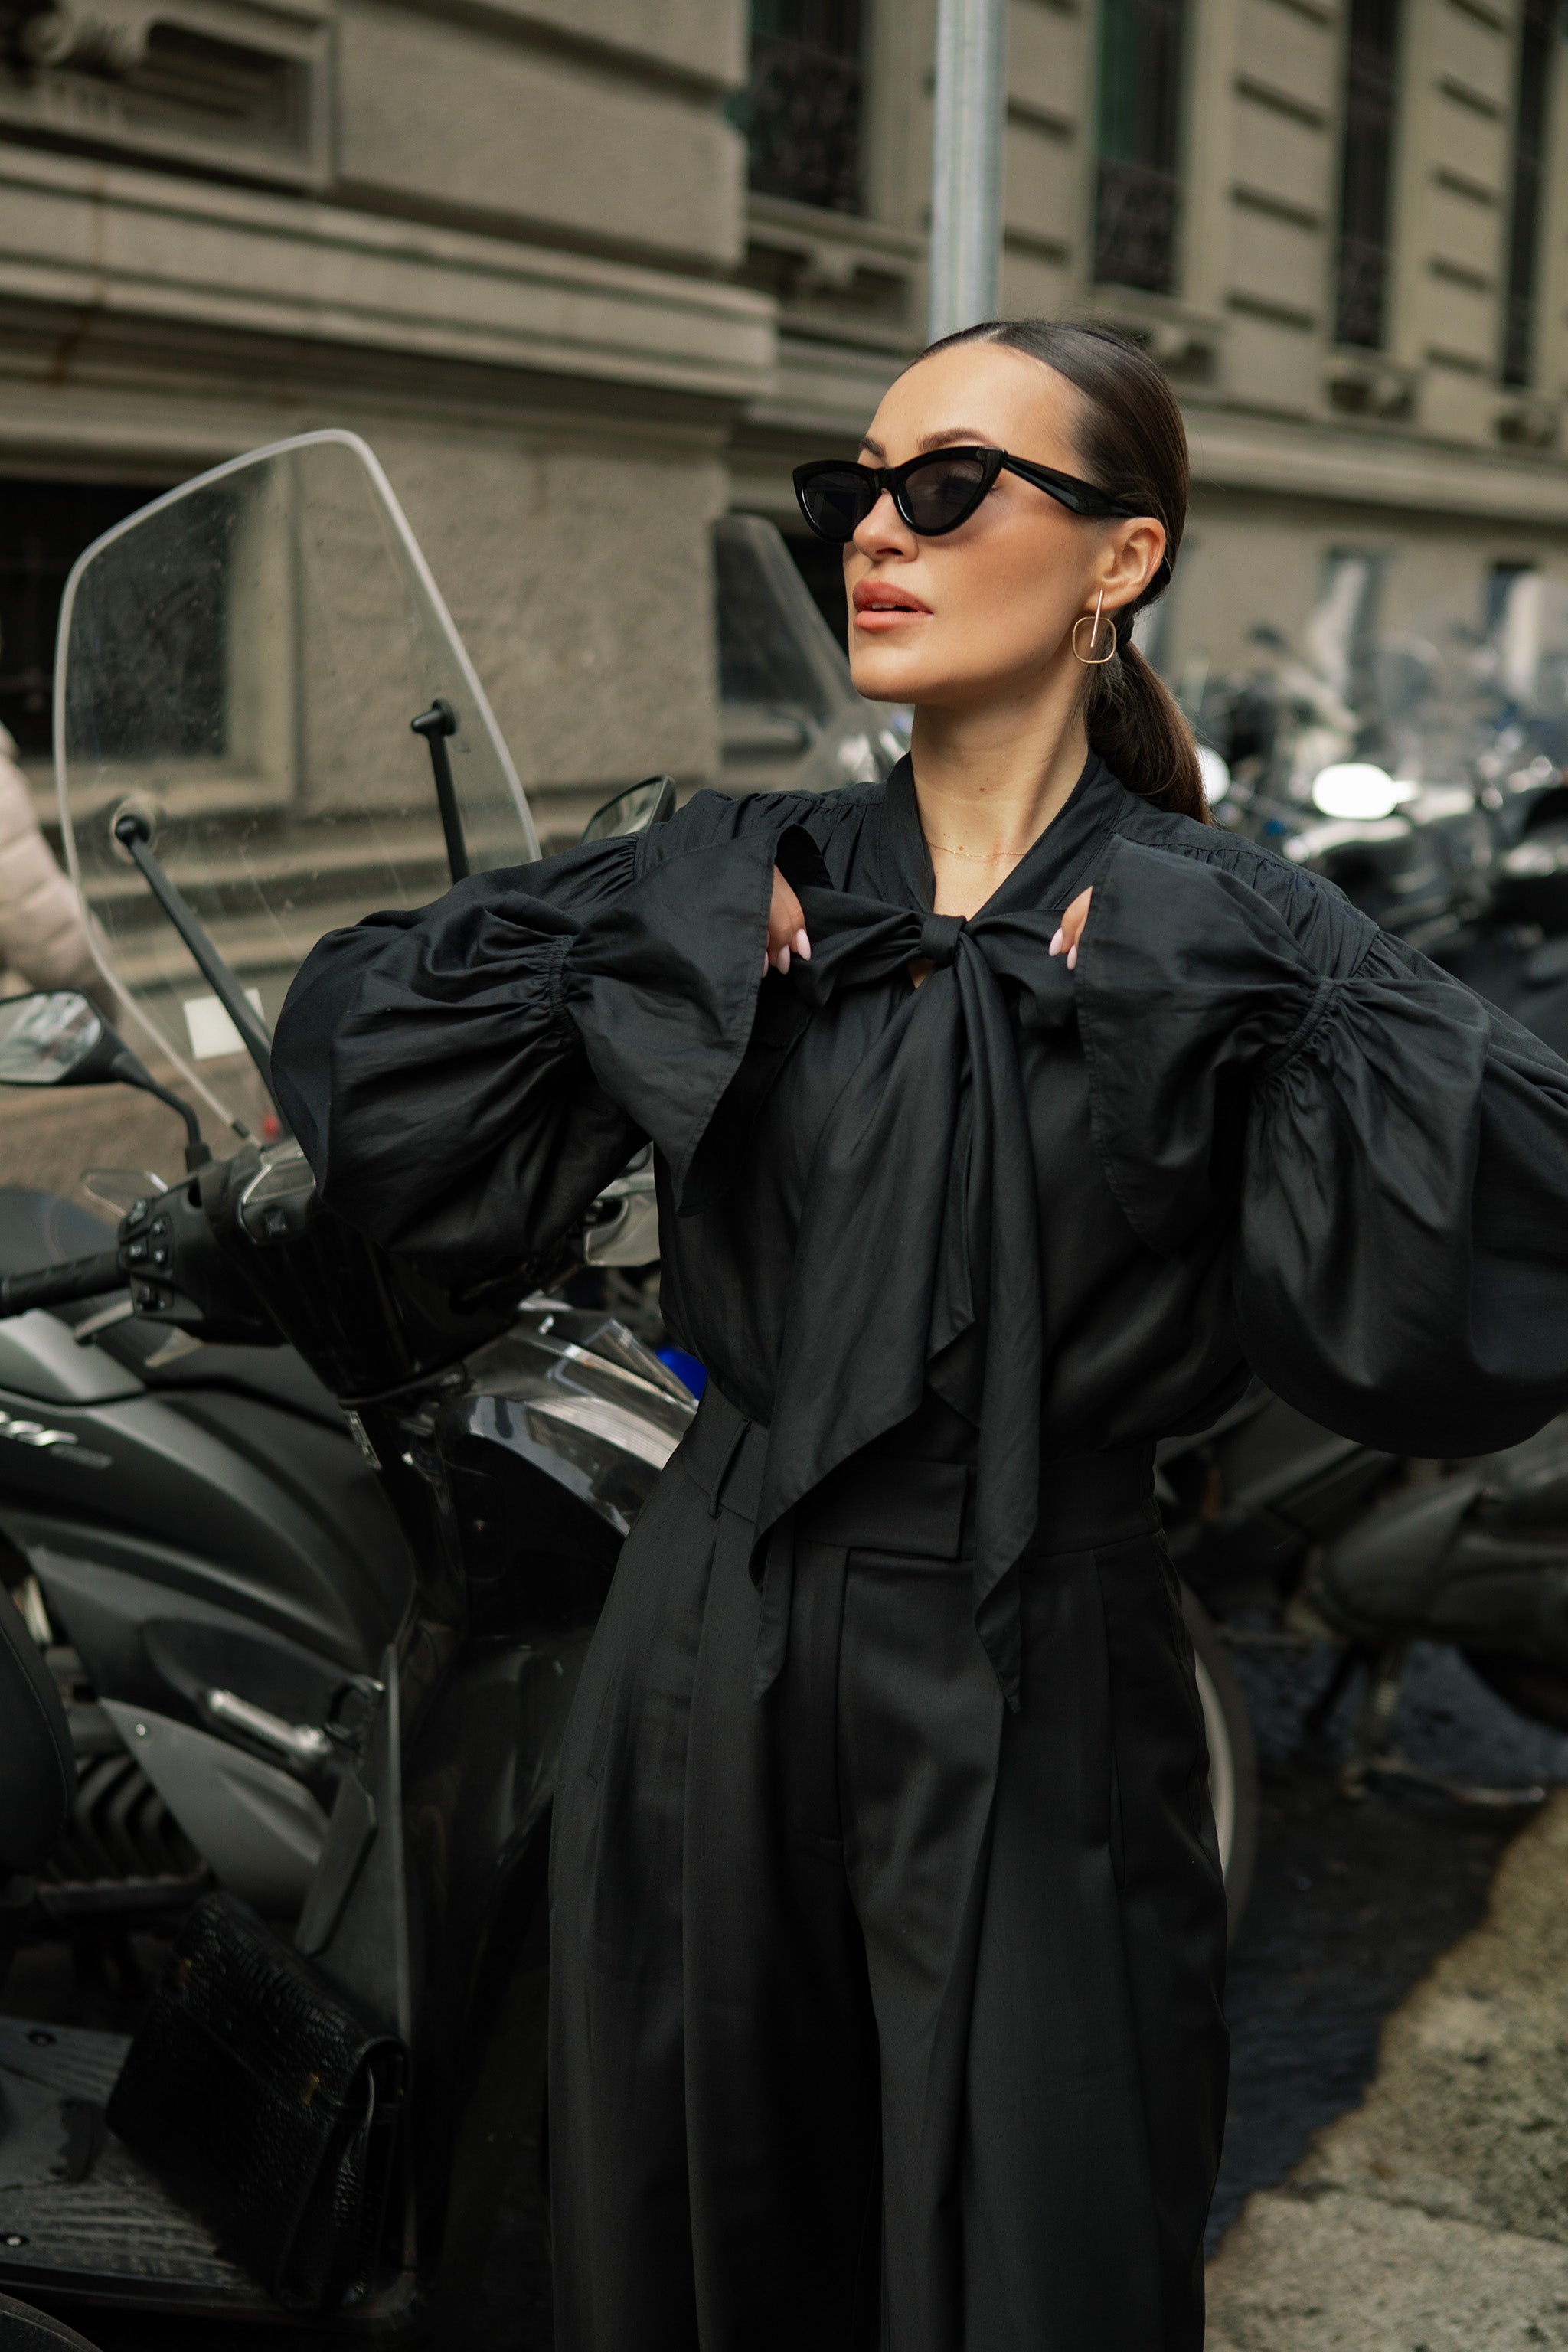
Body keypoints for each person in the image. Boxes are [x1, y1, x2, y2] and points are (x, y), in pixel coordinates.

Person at [271, 320, 1568, 2352]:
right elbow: (368, 1063)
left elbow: (1501, 1221)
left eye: (946, 487)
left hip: (1043, 1653)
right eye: (850, 489)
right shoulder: (735, 870)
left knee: (1033, 2252)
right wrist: (640, 939)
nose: (876, 531)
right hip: (703, 1643)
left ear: (1120, 558)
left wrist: (1259, 982)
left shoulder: (1231, 916)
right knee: (689, 2227)